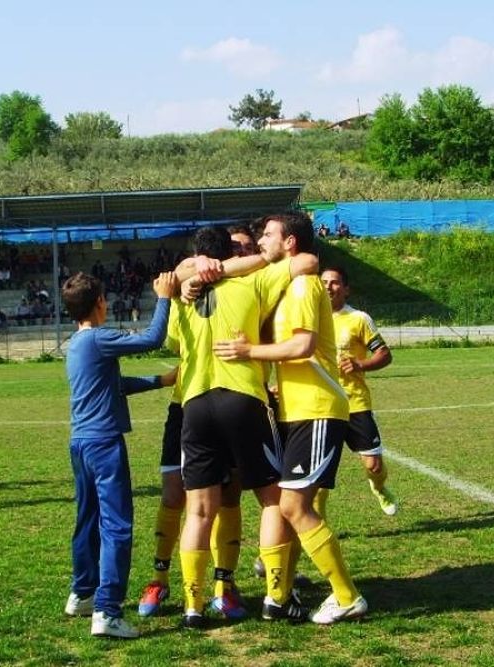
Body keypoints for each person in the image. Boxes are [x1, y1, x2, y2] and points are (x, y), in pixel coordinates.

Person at [214, 212, 367, 625]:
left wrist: (248, 353)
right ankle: (279, 598)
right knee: (289, 505)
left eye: (268, 235)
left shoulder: (301, 286)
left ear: (291, 243)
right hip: (296, 411)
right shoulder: (288, 283)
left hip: (316, 410)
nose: (261, 241)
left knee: (296, 506)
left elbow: (302, 346)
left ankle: (346, 595)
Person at [167, 224, 318, 629]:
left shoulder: (183, 297)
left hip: (195, 404)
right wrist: (236, 269)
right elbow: (305, 261)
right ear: (229, 256)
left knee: (198, 511)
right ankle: (275, 597)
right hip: (243, 398)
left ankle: (193, 608)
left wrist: (191, 278)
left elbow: (172, 344)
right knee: (272, 499)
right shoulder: (253, 280)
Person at [137, 223, 259, 620]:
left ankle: (224, 585)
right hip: (187, 403)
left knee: (229, 496)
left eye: (247, 249)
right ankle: (160, 578)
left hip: (237, 396)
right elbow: (174, 339)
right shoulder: (184, 290)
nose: (241, 255)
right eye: (235, 249)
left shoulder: (254, 285)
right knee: (175, 495)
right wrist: (189, 277)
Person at [61, 270, 177, 639]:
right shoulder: (99, 338)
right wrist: (164, 296)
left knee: (88, 519)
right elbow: (152, 338)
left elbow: (113, 385)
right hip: (104, 443)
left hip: (81, 442)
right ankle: (107, 611)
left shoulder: (76, 344)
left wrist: (158, 381)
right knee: (117, 525)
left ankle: (83, 593)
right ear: (99, 304)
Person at [321, 266, 398, 516]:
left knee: (374, 466)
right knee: (318, 476)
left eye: (334, 282)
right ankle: (315, 524)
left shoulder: (359, 319)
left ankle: (379, 488)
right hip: (322, 405)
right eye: (323, 282)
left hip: (355, 403)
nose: (328, 286)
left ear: (345, 289)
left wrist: (359, 364)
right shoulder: (310, 319)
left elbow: (384, 355)